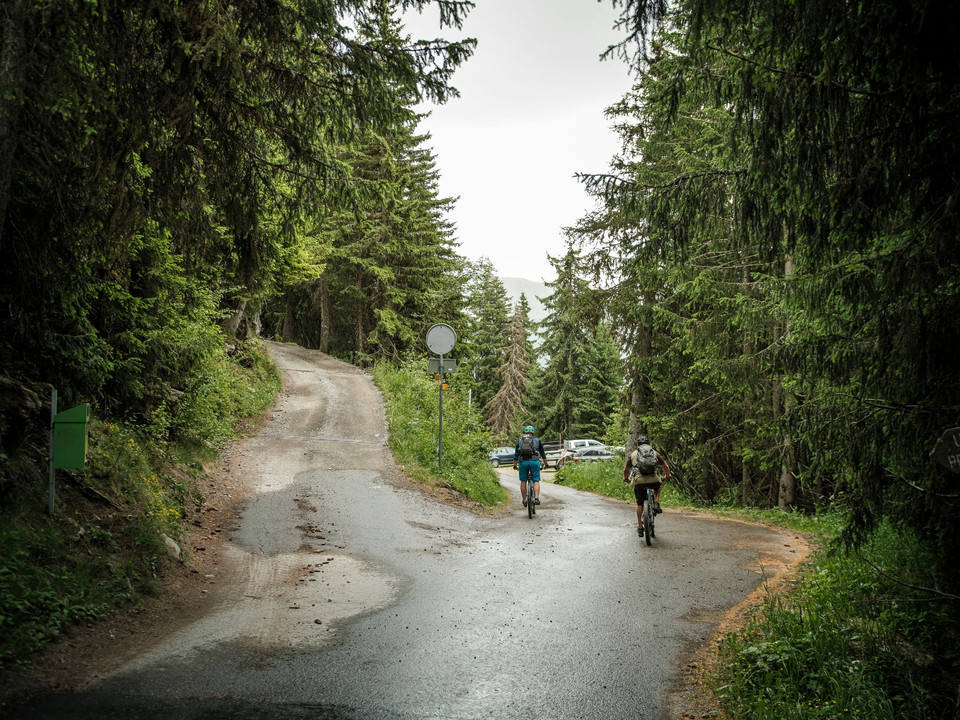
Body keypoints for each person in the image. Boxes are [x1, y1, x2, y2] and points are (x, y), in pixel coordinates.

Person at [622, 435, 670, 537]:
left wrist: (626, 478)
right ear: (648, 444)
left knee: (640, 504)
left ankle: (640, 527)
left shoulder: (633, 454)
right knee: (657, 487)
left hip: (639, 481)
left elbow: (626, 470)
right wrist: (667, 476)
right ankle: (656, 503)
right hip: (653, 479)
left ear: (638, 445)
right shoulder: (654, 453)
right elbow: (665, 466)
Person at [513, 425, 548, 507]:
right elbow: (543, 454)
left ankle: (525, 500)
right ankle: (536, 498)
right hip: (534, 461)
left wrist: (515, 465)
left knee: (523, 481)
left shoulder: (520, 441)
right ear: (533, 432)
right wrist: (546, 464)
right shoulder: (537, 440)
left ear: (525, 432)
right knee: (536, 480)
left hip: (523, 462)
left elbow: (516, 455)